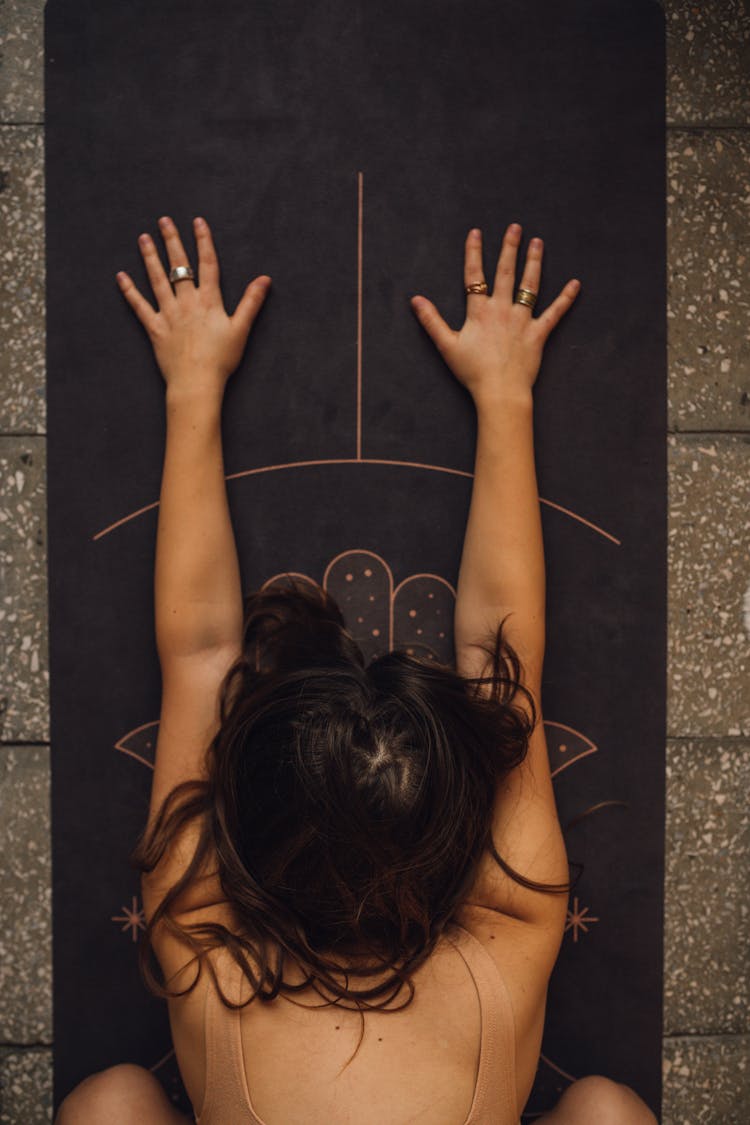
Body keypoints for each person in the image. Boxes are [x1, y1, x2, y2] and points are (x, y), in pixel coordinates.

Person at [54, 219, 657, 1124]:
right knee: (607, 1110)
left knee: (111, 1103)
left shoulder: (208, 946)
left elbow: (200, 650)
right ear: (463, 828)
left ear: (240, 826)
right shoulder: (511, 935)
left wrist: (192, 386)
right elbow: (507, 650)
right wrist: (506, 394)